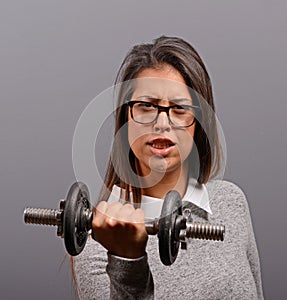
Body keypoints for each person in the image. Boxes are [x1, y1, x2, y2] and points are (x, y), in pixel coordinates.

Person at [72, 36, 264, 299]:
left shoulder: (231, 202)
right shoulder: (98, 240)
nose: (162, 124)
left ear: (198, 122)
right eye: (147, 106)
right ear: (126, 118)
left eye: (179, 109)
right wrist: (127, 259)